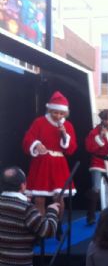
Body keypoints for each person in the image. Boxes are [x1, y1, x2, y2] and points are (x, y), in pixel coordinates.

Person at [22, 91, 77, 222]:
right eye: (55, 112)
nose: (58, 116)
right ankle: (40, 226)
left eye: (61, 113)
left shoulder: (68, 126)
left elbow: (72, 149)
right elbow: (27, 140)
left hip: (58, 164)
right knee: (39, 198)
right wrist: (36, 145)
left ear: (65, 113)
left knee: (59, 198)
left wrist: (64, 135)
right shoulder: (39, 122)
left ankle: (56, 225)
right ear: (50, 110)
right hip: (41, 163)